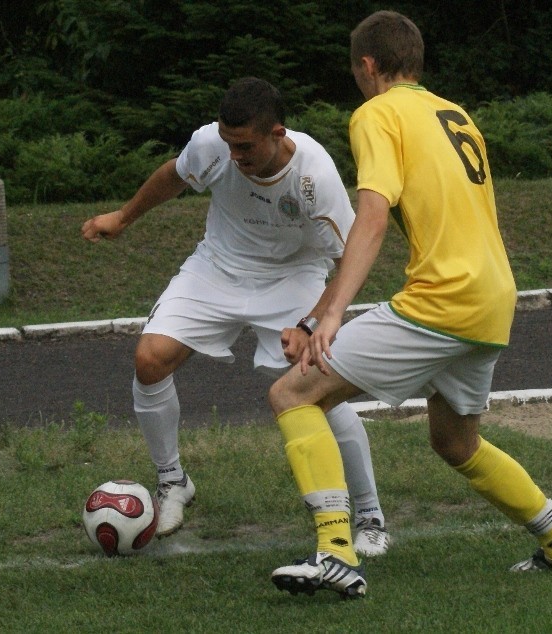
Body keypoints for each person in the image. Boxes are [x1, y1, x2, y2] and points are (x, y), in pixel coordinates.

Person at [267, 11, 552, 599]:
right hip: (492, 298)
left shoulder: (376, 112)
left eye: (356, 71)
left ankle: (336, 553)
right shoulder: (454, 114)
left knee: (293, 393)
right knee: (455, 442)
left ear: (368, 66)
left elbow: (371, 213)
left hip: (442, 298)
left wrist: (330, 314)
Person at [81, 77, 391, 557]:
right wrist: (122, 218)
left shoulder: (315, 177)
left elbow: (351, 260)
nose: (234, 156)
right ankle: (173, 482)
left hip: (294, 277)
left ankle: (369, 514)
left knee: (318, 386)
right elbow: (174, 175)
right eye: (228, 144)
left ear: (277, 133)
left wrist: (310, 324)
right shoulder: (214, 144)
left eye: (244, 147)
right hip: (218, 266)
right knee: (149, 359)